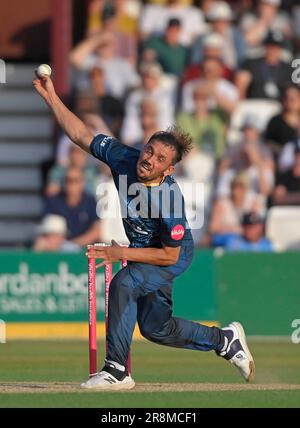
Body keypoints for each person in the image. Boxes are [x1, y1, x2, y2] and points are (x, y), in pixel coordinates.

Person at [33, 72, 255, 391]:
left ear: (170, 169)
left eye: (159, 158)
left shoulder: (170, 200)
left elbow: (169, 254)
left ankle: (117, 371)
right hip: (143, 250)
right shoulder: (125, 157)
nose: (148, 160)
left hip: (172, 256)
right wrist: (51, 96)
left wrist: (120, 253)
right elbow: (81, 134)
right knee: (156, 328)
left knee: (124, 282)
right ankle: (225, 340)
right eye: (149, 150)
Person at [44, 167, 100, 247]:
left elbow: (96, 231)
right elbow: (49, 230)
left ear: (82, 183)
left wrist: (74, 245)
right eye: (68, 180)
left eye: (75, 180)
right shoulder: (54, 201)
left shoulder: (90, 201)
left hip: (85, 248)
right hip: (58, 248)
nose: (71, 184)